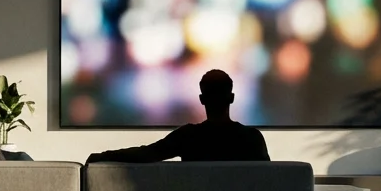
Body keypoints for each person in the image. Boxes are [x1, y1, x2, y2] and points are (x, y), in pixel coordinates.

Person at [86, 70, 270, 163]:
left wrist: (103, 156)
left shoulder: (188, 137)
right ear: (231, 98)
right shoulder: (252, 138)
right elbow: (269, 183)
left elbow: (145, 154)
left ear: (201, 99)